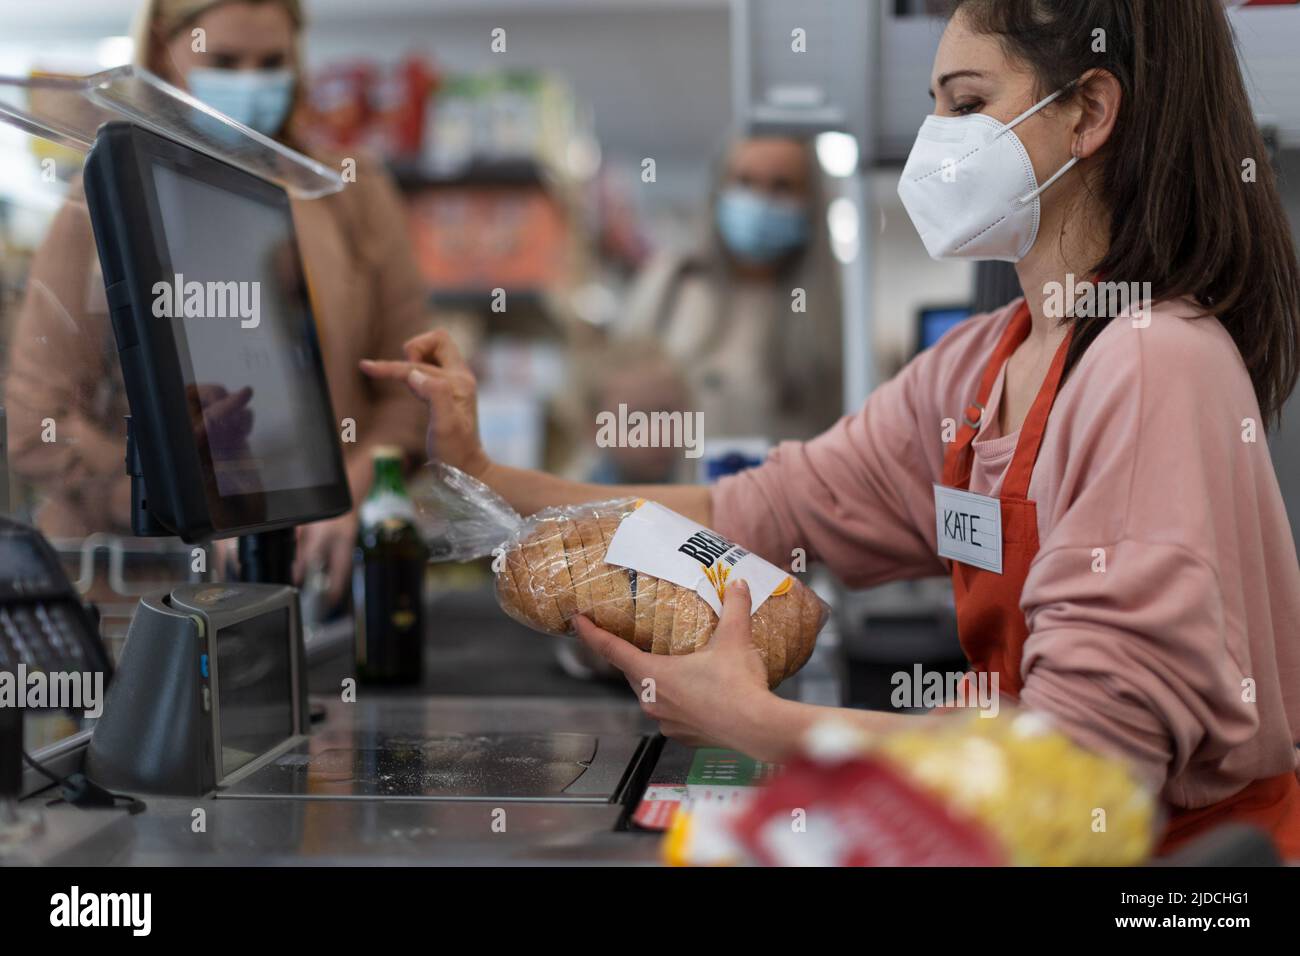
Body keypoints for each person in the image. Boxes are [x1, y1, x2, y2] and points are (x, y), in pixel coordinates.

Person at [363, 0, 1300, 857]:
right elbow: (760, 509)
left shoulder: (1150, 363)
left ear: (1089, 113)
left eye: (968, 104)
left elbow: (1084, 765)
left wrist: (758, 724)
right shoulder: (980, 365)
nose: (939, 141)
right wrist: (483, 470)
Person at [4, 0, 429, 602]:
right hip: (141, 593)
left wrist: (353, 486)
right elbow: (35, 425)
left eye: (272, 62)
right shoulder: (104, 193)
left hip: (314, 582)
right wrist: (193, 501)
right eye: (224, 60)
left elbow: (408, 390)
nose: (250, 83)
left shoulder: (346, 189)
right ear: (159, 51)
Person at [618, 135, 842, 442]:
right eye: (744, 182)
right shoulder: (670, 285)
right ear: (719, 188)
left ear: (810, 203)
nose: (760, 201)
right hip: (668, 489)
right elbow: (617, 405)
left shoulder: (825, 316)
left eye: (782, 186)